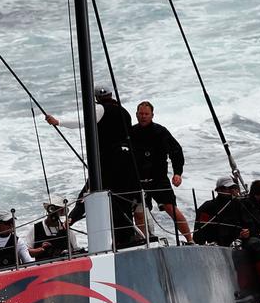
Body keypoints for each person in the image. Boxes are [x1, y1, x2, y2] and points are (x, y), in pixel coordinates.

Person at [46, 83, 144, 247]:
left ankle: (69, 221)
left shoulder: (100, 109)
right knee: (121, 202)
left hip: (109, 163)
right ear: (111, 95)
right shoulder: (125, 112)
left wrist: (58, 122)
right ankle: (126, 239)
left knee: (89, 193)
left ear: (96, 98)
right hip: (127, 164)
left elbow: (83, 122)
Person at [131, 101, 192, 243]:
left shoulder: (160, 131)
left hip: (158, 179)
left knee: (170, 208)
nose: (143, 116)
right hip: (138, 180)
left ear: (152, 115)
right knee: (139, 213)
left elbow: (176, 151)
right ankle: (145, 242)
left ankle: (190, 239)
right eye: (141, 114)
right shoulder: (131, 132)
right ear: (136, 115)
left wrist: (178, 173)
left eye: (146, 114)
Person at [193, 175, 242, 247]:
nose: (231, 190)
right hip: (214, 246)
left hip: (235, 244)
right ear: (219, 190)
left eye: (232, 188)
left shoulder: (238, 205)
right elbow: (199, 232)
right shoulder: (207, 207)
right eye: (228, 188)